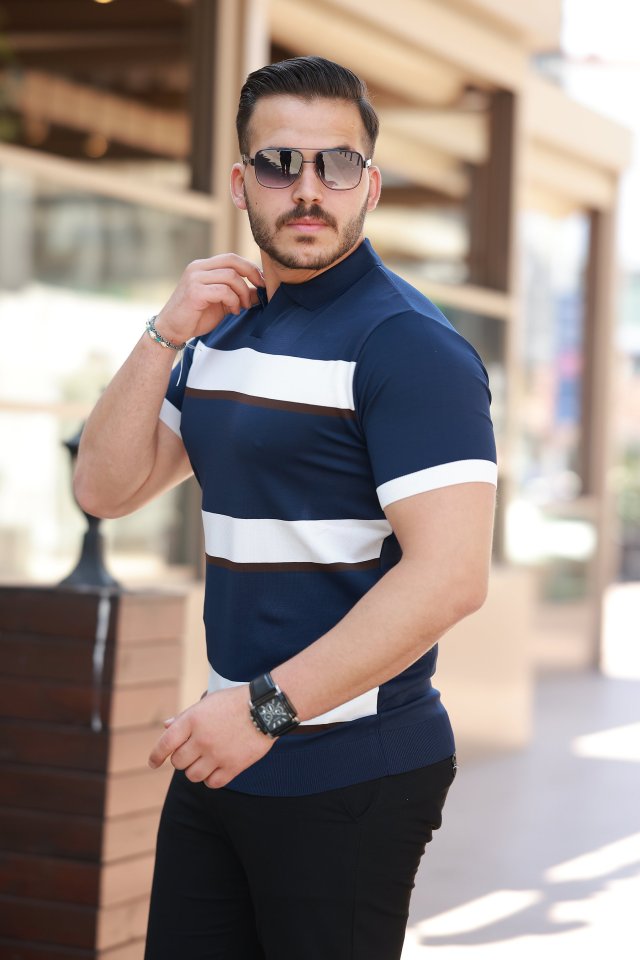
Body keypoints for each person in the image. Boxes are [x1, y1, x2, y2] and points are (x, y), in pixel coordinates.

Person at [74, 56, 497, 960]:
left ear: (369, 186)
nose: (308, 189)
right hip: (225, 749)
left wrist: (263, 711)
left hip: (347, 768)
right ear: (241, 184)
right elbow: (104, 489)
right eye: (279, 163)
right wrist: (163, 334)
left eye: (336, 164)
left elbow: (452, 577)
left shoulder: (408, 346)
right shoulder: (221, 325)